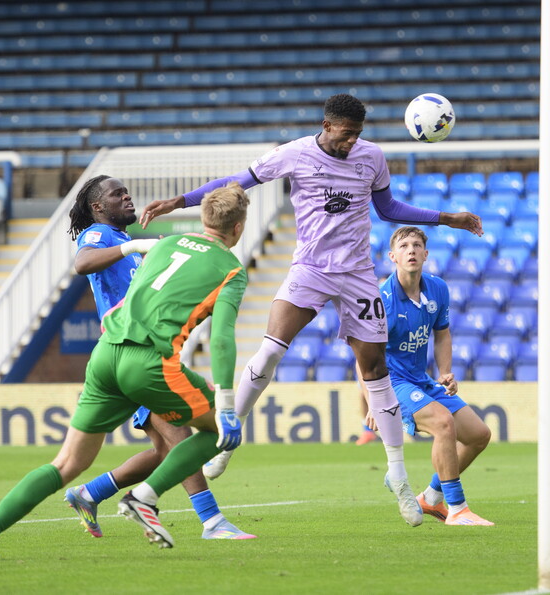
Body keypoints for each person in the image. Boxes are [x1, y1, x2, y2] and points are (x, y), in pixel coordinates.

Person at [139, 93, 482, 526]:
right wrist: (178, 202)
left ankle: (397, 476)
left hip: (357, 273)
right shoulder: (294, 154)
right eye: (345, 134)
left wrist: (446, 218)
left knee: (374, 369)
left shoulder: (371, 157)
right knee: (269, 350)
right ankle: (226, 443)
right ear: (327, 125)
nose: (351, 142)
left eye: (358, 134)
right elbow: (236, 183)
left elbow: (388, 208)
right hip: (310, 269)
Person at [0, 182, 251, 560]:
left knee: (66, 464)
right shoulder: (229, 269)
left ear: (203, 215)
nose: (126, 198)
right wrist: (225, 402)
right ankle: (149, 500)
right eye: (117, 194)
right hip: (148, 361)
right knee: (218, 430)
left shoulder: (161, 245)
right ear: (238, 228)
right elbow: (222, 340)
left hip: (106, 354)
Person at [61, 175, 254, 540]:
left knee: (166, 449)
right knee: (182, 439)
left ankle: (90, 493)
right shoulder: (100, 236)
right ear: (98, 207)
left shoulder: (133, 241)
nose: (126, 197)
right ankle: (210, 521)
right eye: (117, 194)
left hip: (148, 351)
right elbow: (83, 263)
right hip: (128, 350)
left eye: (126, 191)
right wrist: (133, 248)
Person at [380, 226, 493, 526]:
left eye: (417, 245)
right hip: (392, 383)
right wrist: (372, 401)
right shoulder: (383, 301)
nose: (411, 250)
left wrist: (445, 372)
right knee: (444, 423)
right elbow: (364, 355)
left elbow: (442, 334)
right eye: (404, 246)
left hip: (421, 378)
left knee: (478, 435)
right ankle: (457, 509)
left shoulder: (438, 289)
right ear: (393, 256)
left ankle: (431, 498)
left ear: (426, 254)